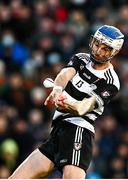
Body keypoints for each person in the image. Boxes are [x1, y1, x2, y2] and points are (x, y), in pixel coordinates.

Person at [9, 25, 124, 179]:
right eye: (97, 44)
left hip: (78, 130)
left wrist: (68, 103)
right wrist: (57, 89)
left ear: (114, 52)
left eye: (104, 48)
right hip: (57, 132)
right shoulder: (81, 59)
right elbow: (64, 74)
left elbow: (85, 107)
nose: (98, 50)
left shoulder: (111, 81)